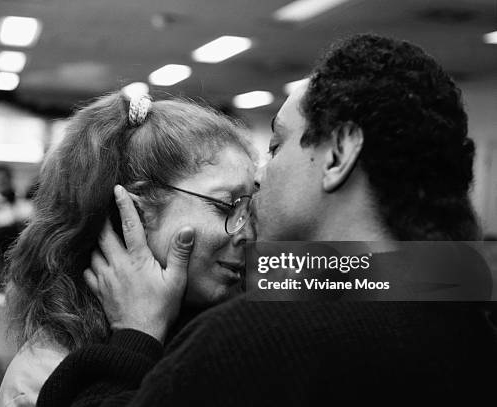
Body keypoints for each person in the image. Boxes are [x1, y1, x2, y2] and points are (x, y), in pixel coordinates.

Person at [37, 34, 497, 406]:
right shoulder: (464, 312)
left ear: (339, 153)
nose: (263, 176)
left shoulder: (253, 341)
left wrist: (134, 337)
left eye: (277, 146)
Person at [0, 93, 255, 407]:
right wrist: (138, 337)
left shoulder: (224, 322)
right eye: (225, 207)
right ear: (132, 214)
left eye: (249, 211)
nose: (249, 234)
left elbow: (327, 280)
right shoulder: (41, 377)